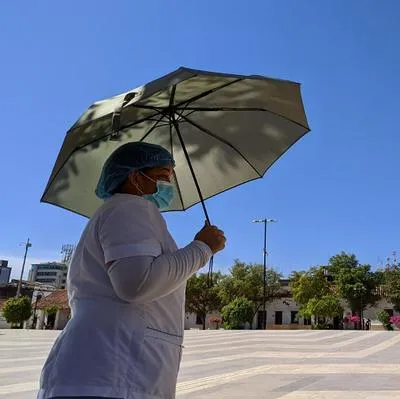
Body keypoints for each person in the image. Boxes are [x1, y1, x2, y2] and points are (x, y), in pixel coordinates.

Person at [38, 142, 226, 399]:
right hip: (110, 374)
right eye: (161, 176)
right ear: (135, 177)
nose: (167, 186)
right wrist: (203, 248)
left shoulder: (122, 212)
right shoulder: (129, 207)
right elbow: (136, 284)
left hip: (107, 374)